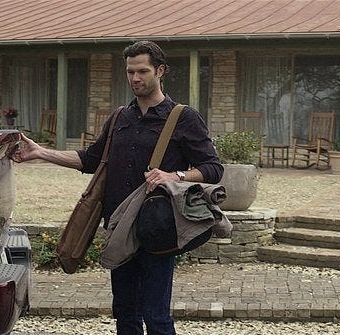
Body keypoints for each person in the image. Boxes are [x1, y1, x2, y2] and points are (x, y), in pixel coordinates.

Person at [13, 40, 223, 335]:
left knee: (156, 314)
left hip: (157, 229)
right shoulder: (119, 118)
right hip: (118, 227)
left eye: (142, 71)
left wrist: (175, 175)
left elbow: (213, 169)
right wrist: (40, 152)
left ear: (160, 71)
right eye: (130, 72)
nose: (135, 78)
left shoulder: (183, 117)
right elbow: (90, 160)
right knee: (124, 313)